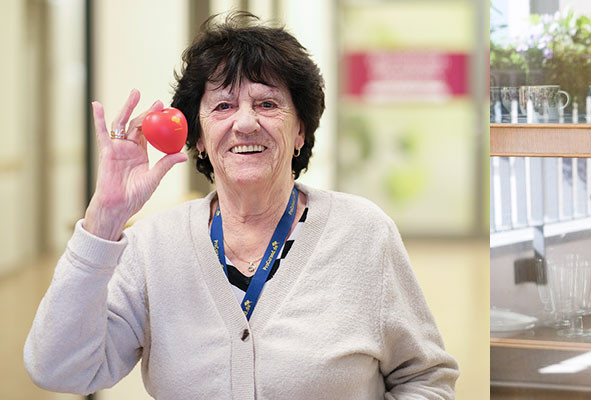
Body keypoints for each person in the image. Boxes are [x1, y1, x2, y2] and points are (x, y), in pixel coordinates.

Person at [23, 12, 458, 398]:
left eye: (267, 104)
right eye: (223, 106)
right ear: (197, 137)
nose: (245, 123)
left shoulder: (363, 232)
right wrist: (104, 218)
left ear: (301, 131)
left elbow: (426, 378)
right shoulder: (153, 247)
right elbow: (60, 369)